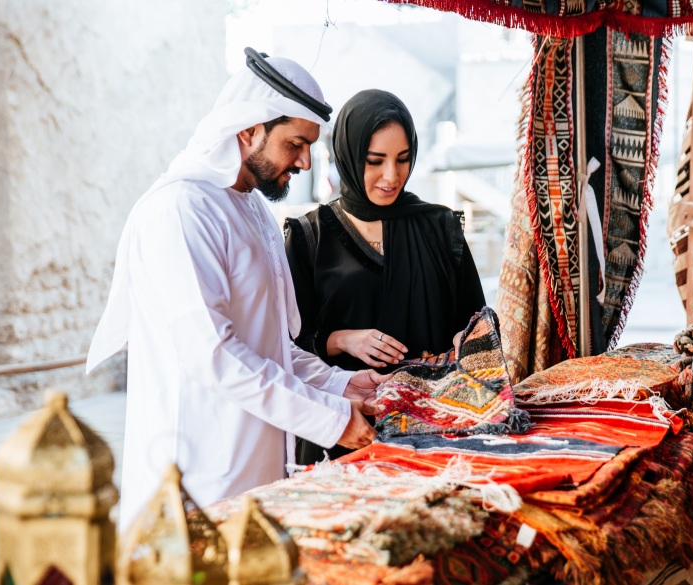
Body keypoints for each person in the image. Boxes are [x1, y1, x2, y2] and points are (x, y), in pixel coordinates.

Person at [86, 50, 386, 531]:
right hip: (195, 483)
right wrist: (331, 419)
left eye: (310, 146)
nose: (306, 161)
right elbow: (217, 355)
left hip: (253, 476)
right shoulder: (182, 210)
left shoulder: (253, 210)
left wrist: (339, 383)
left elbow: (268, 347)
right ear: (249, 131)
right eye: (294, 144)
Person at [284, 89, 486, 464]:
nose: (391, 176)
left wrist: (469, 342)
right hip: (344, 434)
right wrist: (342, 340)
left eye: (403, 159)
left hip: (437, 431)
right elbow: (286, 348)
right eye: (375, 161)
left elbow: (477, 324)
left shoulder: (440, 228)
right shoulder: (310, 237)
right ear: (348, 154)